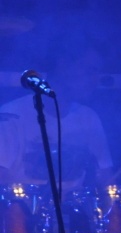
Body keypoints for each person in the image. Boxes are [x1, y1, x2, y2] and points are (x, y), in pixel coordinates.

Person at [0, 45, 114, 192]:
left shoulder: (89, 117)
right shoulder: (11, 116)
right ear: (63, 65)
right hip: (25, 205)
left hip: (72, 206)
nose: (95, 80)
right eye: (90, 70)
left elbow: (105, 177)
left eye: (98, 73)